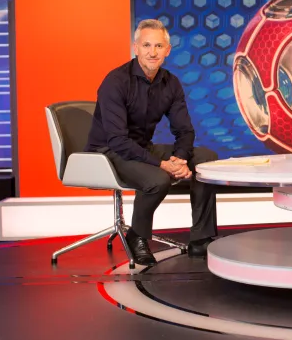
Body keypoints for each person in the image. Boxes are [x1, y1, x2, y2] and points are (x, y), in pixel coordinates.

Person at [85, 19, 218, 266]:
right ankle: (137, 235)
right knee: (158, 179)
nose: (152, 52)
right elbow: (117, 140)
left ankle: (201, 239)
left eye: (159, 46)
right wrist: (162, 164)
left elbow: (185, 130)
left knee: (206, 158)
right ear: (136, 47)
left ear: (167, 50)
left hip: (140, 147)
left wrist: (180, 158)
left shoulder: (171, 83)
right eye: (146, 45)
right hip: (108, 151)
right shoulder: (116, 81)